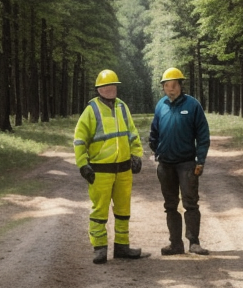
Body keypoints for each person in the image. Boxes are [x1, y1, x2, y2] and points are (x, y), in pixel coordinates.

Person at [74, 69, 144, 264]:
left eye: (113, 85)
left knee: (123, 210)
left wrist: (137, 155)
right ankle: (99, 248)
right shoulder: (91, 110)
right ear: (98, 89)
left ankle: (122, 247)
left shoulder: (123, 107)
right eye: (105, 86)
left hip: (123, 170)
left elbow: (133, 134)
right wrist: (83, 165)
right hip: (100, 171)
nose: (110, 89)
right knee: (99, 211)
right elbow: (79, 140)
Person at [149, 67, 210, 256]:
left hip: (187, 164)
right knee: (170, 205)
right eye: (166, 86)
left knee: (190, 203)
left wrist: (200, 160)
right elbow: (154, 133)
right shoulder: (160, 106)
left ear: (180, 85)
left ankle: (194, 242)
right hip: (165, 165)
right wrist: (157, 150)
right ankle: (175, 244)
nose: (170, 89)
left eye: (173, 85)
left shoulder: (193, 105)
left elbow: (203, 134)